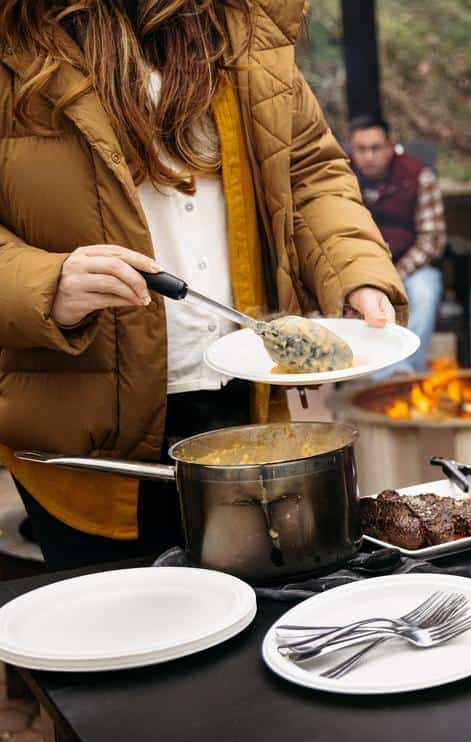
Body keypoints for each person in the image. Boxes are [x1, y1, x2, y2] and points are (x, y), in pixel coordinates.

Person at [0, 0, 407, 571]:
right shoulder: (14, 41)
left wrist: (354, 273)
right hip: (83, 430)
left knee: (255, 624)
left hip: (246, 395)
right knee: (126, 642)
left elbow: (310, 170)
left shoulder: (243, 25)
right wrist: (47, 286)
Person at [348, 114, 446, 376]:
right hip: (361, 273)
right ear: (351, 150)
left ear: (391, 146)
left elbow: (432, 239)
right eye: (361, 149)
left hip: (410, 267)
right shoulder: (341, 180)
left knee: (425, 292)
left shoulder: (418, 176)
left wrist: (396, 275)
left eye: (376, 148)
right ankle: (396, 377)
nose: (369, 156)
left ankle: (401, 376)